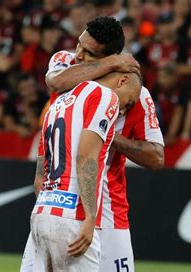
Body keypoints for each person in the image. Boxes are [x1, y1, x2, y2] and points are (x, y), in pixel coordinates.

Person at [21, 16, 164, 272]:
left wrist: (107, 134)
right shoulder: (64, 64)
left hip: (109, 210)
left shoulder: (136, 94)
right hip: (62, 202)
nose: (78, 55)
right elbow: (55, 81)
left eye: (89, 53)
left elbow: (156, 157)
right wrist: (114, 62)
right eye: (79, 45)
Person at [31, 72, 141, 271]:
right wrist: (90, 216)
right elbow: (86, 158)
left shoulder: (57, 103)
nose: (123, 111)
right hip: (73, 216)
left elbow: (40, 175)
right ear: (122, 80)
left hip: (42, 211)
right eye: (129, 101)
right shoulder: (104, 97)